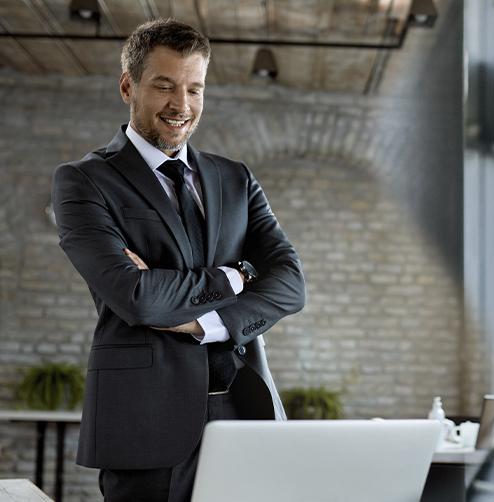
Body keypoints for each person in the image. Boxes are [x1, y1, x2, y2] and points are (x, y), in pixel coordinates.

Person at [52, 19, 306, 501]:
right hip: (147, 421)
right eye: (165, 86)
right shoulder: (84, 181)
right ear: (129, 86)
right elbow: (137, 297)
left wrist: (202, 324)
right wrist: (234, 278)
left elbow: (291, 283)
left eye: (195, 89)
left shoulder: (235, 178)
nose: (182, 106)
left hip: (244, 411)